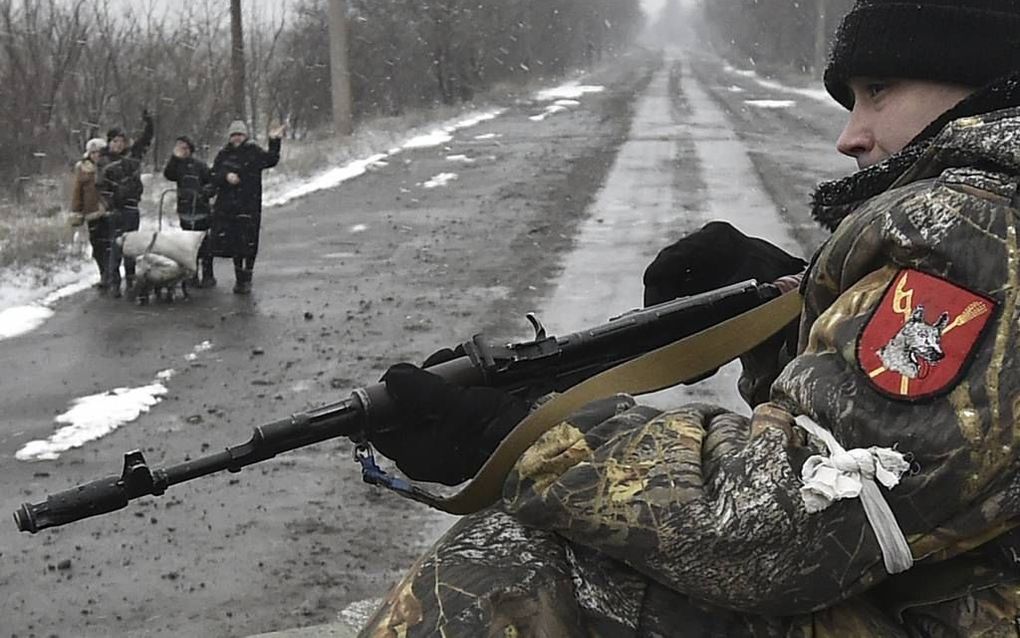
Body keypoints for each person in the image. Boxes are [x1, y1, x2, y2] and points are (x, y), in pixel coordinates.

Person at [360, 0, 1020, 635]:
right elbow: (903, 457)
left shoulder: (979, 228)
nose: (850, 135)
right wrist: (796, 321)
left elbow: (787, 531)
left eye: (878, 90)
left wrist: (525, 439)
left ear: (982, 80)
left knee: (508, 561)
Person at [210, 119, 284, 295]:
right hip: (228, 207)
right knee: (235, 243)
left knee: (250, 242)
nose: (236, 138)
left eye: (240, 134)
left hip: (250, 203)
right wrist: (225, 176)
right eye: (234, 135)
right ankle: (239, 279)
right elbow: (213, 175)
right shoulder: (223, 154)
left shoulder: (253, 151)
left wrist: (274, 141)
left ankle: (248, 277)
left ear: (245, 135)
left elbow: (271, 160)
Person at [97, 110, 154, 298]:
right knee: (115, 247)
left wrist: (149, 124)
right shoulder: (104, 162)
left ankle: (130, 278)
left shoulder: (132, 158)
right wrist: (109, 205)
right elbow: (100, 187)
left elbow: (145, 142)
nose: (118, 145)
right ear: (109, 142)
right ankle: (114, 281)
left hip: (131, 208)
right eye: (114, 141)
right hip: (115, 210)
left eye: (121, 141)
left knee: (131, 246)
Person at [163, 135, 215, 287]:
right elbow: (168, 174)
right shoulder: (176, 166)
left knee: (204, 244)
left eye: (185, 148)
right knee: (188, 245)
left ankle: (208, 274)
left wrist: (205, 193)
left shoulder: (200, 165)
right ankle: (192, 274)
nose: (182, 151)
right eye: (179, 147)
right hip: (185, 210)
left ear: (190, 149)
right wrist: (174, 158)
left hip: (201, 210)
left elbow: (211, 183)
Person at [70, 138, 112, 290]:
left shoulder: (109, 166)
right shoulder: (83, 168)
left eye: (99, 152)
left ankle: (110, 274)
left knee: (110, 244)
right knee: (97, 245)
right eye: (93, 152)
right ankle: (103, 274)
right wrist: (76, 210)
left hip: (109, 211)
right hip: (91, 212)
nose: (96, 155)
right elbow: (77, 191)